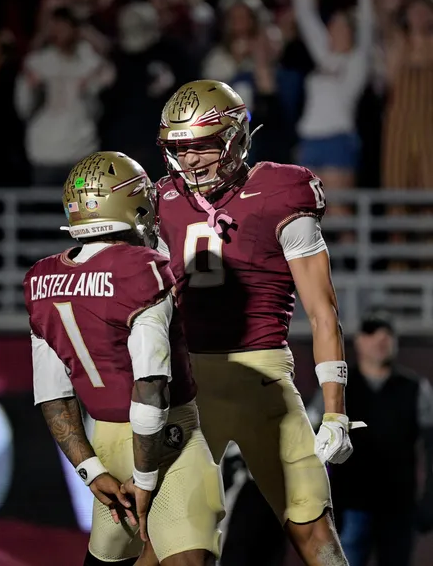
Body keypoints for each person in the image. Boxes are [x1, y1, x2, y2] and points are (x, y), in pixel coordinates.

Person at [156, 79, 364, 566]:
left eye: (202, 146)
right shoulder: (163, 198)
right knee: (170, 544)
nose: (189, 161)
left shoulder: (280, 191)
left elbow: (321, 310)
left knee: (316, 534)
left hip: (265, 379)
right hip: (189, 387)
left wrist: (335, 409)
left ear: (234, 138)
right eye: (180, 149)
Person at [23, 151, 224, 566]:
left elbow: (52, 397)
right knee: (189, 560)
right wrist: (145, 478)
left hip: (103, 439)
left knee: (111, 559)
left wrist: (92, 470)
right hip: (165, 437)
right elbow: (150, 389)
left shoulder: (42, 279)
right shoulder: (141, 269)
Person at [308, 312, 433, 566]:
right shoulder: (336, 390)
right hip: (347, 506)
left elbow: (432, 450)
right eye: (372, 332)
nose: (381, 339)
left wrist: (429, 501)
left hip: (398, 508)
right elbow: (309, 439)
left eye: (387, 333)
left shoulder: (415, 388)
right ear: (358, 341)